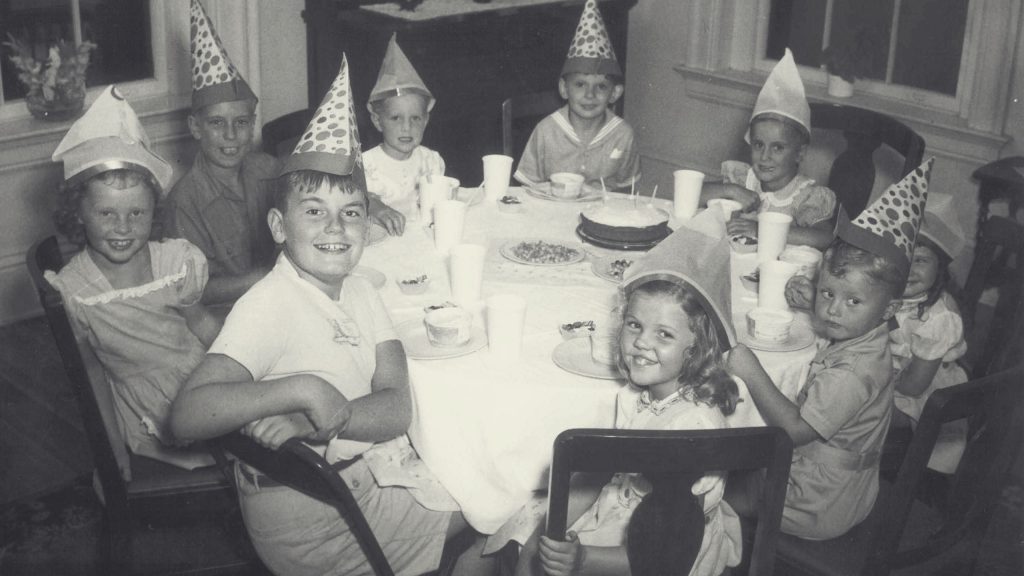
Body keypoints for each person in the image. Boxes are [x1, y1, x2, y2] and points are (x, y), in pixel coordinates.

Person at [168, 55, 491, 576]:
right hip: (316, 518)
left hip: (350, 481)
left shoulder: (361, 290)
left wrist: (324, 420)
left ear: (369, 224)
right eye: (313, 210)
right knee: (503, 508)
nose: (335, 227)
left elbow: (394, 407)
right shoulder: (271, 302)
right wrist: (301, 390)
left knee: (485, 474)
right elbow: (186, 416)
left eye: (352, 212)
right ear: (278, 226)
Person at [509, 223, 743, 576]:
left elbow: (667, 555)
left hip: (668, 555)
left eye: (664, 333)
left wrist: (584, 559)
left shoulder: (692, 431)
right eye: (634, 325)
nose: (642, 343)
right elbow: (599, 473)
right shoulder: (638, 396)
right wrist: (540, 536)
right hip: (629, 512)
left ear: (699, 348)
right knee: (522, 534)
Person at [726, 159, 933, 540]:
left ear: (889, 310)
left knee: (712, 488)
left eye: (853, 301)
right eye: (828, 293)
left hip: (815, 501)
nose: (834, 309)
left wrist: (749, 368)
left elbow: (794, 431)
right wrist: (814, 305)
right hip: (835, 483)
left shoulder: (854, 372)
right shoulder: (868, 337)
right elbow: (841, 311)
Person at [47, 85, 221, 470]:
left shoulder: (175, 261)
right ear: (78, 213)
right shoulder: (75, 290)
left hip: (203, 376)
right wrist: (111, 450)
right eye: (107, 214)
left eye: (137, 214)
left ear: (154, 210)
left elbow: (203, 324)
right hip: (145, 405)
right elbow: (91, 372)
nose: (123, 228)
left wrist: (245, 366)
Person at [161, 0, 278, 305]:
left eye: (240, 122)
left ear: (253, 125)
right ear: (195, 127)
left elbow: (317, 184)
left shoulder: (268, 169)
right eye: (216, 123)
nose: (230, 135)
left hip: (279, 299)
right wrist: (270, 276)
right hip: (227, 315)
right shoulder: (184, 203)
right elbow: (194, 292)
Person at [701, 49, 837, 250]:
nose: (765, 156)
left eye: (778, 148)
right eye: (758, 145)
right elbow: (694, 193)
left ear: (799, 153)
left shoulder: (804, 196)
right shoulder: (743, 179)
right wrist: (730, 190)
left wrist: (761, 230)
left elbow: (824, 238)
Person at [513, 0, 640, 192]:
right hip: (552, 213)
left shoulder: (623, 135)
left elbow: (626, 190)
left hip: (601, 215)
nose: (590, 95)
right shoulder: (546, 131)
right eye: (580, 84)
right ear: (564, 89)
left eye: (601, 87)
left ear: (615, 93)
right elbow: (527, 187)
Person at [890, 194, 969, 474]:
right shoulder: (891, 291)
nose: (908, 269)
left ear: (941, 267)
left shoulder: (939, 318)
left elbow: (913, 387)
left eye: (921, 260)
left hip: (924, 391)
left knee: (850, 409)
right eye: (902, 257)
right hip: (895, 369)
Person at [362, 33, 444, 228]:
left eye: (415, 118)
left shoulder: (431, 161)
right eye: (396, 118)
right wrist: (374, 206)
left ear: (425, 121)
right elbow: (352, 202)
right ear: (377, 121)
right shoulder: (366, 166)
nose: (407, 127)